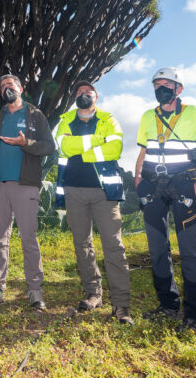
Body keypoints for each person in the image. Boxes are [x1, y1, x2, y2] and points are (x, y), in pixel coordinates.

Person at [134, 67, 196, 335]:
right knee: (157, 249)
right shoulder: (146, 116)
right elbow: (143, 150)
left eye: (166, 84)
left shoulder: (195, 114)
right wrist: (138, 177)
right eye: (156, 84)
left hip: (184, 186)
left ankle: (195, 317)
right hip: (153, 187)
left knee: (191, 252)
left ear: (179, 89)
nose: (160, 88)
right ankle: (168, 306)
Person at [0, 74, 56, 310]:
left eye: (10, 85)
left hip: (26, 185)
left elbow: (49, 146)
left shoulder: (35, 115)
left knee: (28, 238)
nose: (6, 88)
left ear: (21, 88)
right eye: (2, 86)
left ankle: (35, 291)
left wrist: (26, 144)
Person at [55, 80, 133, 324]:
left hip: (104, 193)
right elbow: (64, 146)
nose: (83, 94)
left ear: (96, 97)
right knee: (82, 244)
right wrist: (97, 141)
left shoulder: (109, 119)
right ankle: (93, 294)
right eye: (79, 92)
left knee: (114, 246)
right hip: (73, 190)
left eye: (88, 91)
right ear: (74, 97)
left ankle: (121, 306)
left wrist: (82, 150)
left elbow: (116, 148)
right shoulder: (65, 119)